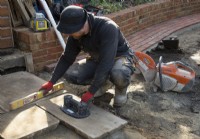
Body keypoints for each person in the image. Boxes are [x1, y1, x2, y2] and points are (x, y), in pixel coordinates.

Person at [40, 5, 134, 107]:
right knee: (71, 73)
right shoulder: (75, 36)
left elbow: (106, 63)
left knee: (118, 73)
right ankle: (104, 83)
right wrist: (51, 81)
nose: (69, 35)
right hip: (97, 59)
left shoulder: (107, 28)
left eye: (71, 31)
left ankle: (121, 90)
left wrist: (91, 91)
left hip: (119, 57)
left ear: (82, 25)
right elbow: (66, 58)